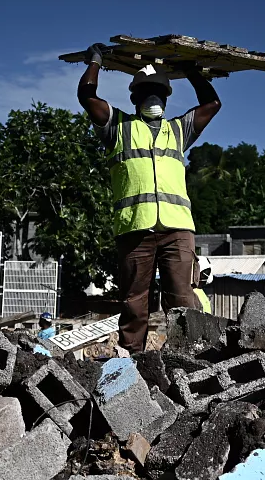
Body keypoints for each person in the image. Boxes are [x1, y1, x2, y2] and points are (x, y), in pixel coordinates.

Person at [78, 43, 222, 354]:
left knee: (183, 297)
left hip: (177, 230)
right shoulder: (119, 127)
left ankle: (190, 354)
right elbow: (87, 97)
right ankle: (133, 358)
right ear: (134, 99)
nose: (152, 99)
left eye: (158, 93)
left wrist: (192, 72)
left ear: (167, 99)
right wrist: (95, 62)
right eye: (145, 93)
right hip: (135, 229)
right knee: (134, 301)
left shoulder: (178, 130)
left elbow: (212, 103)